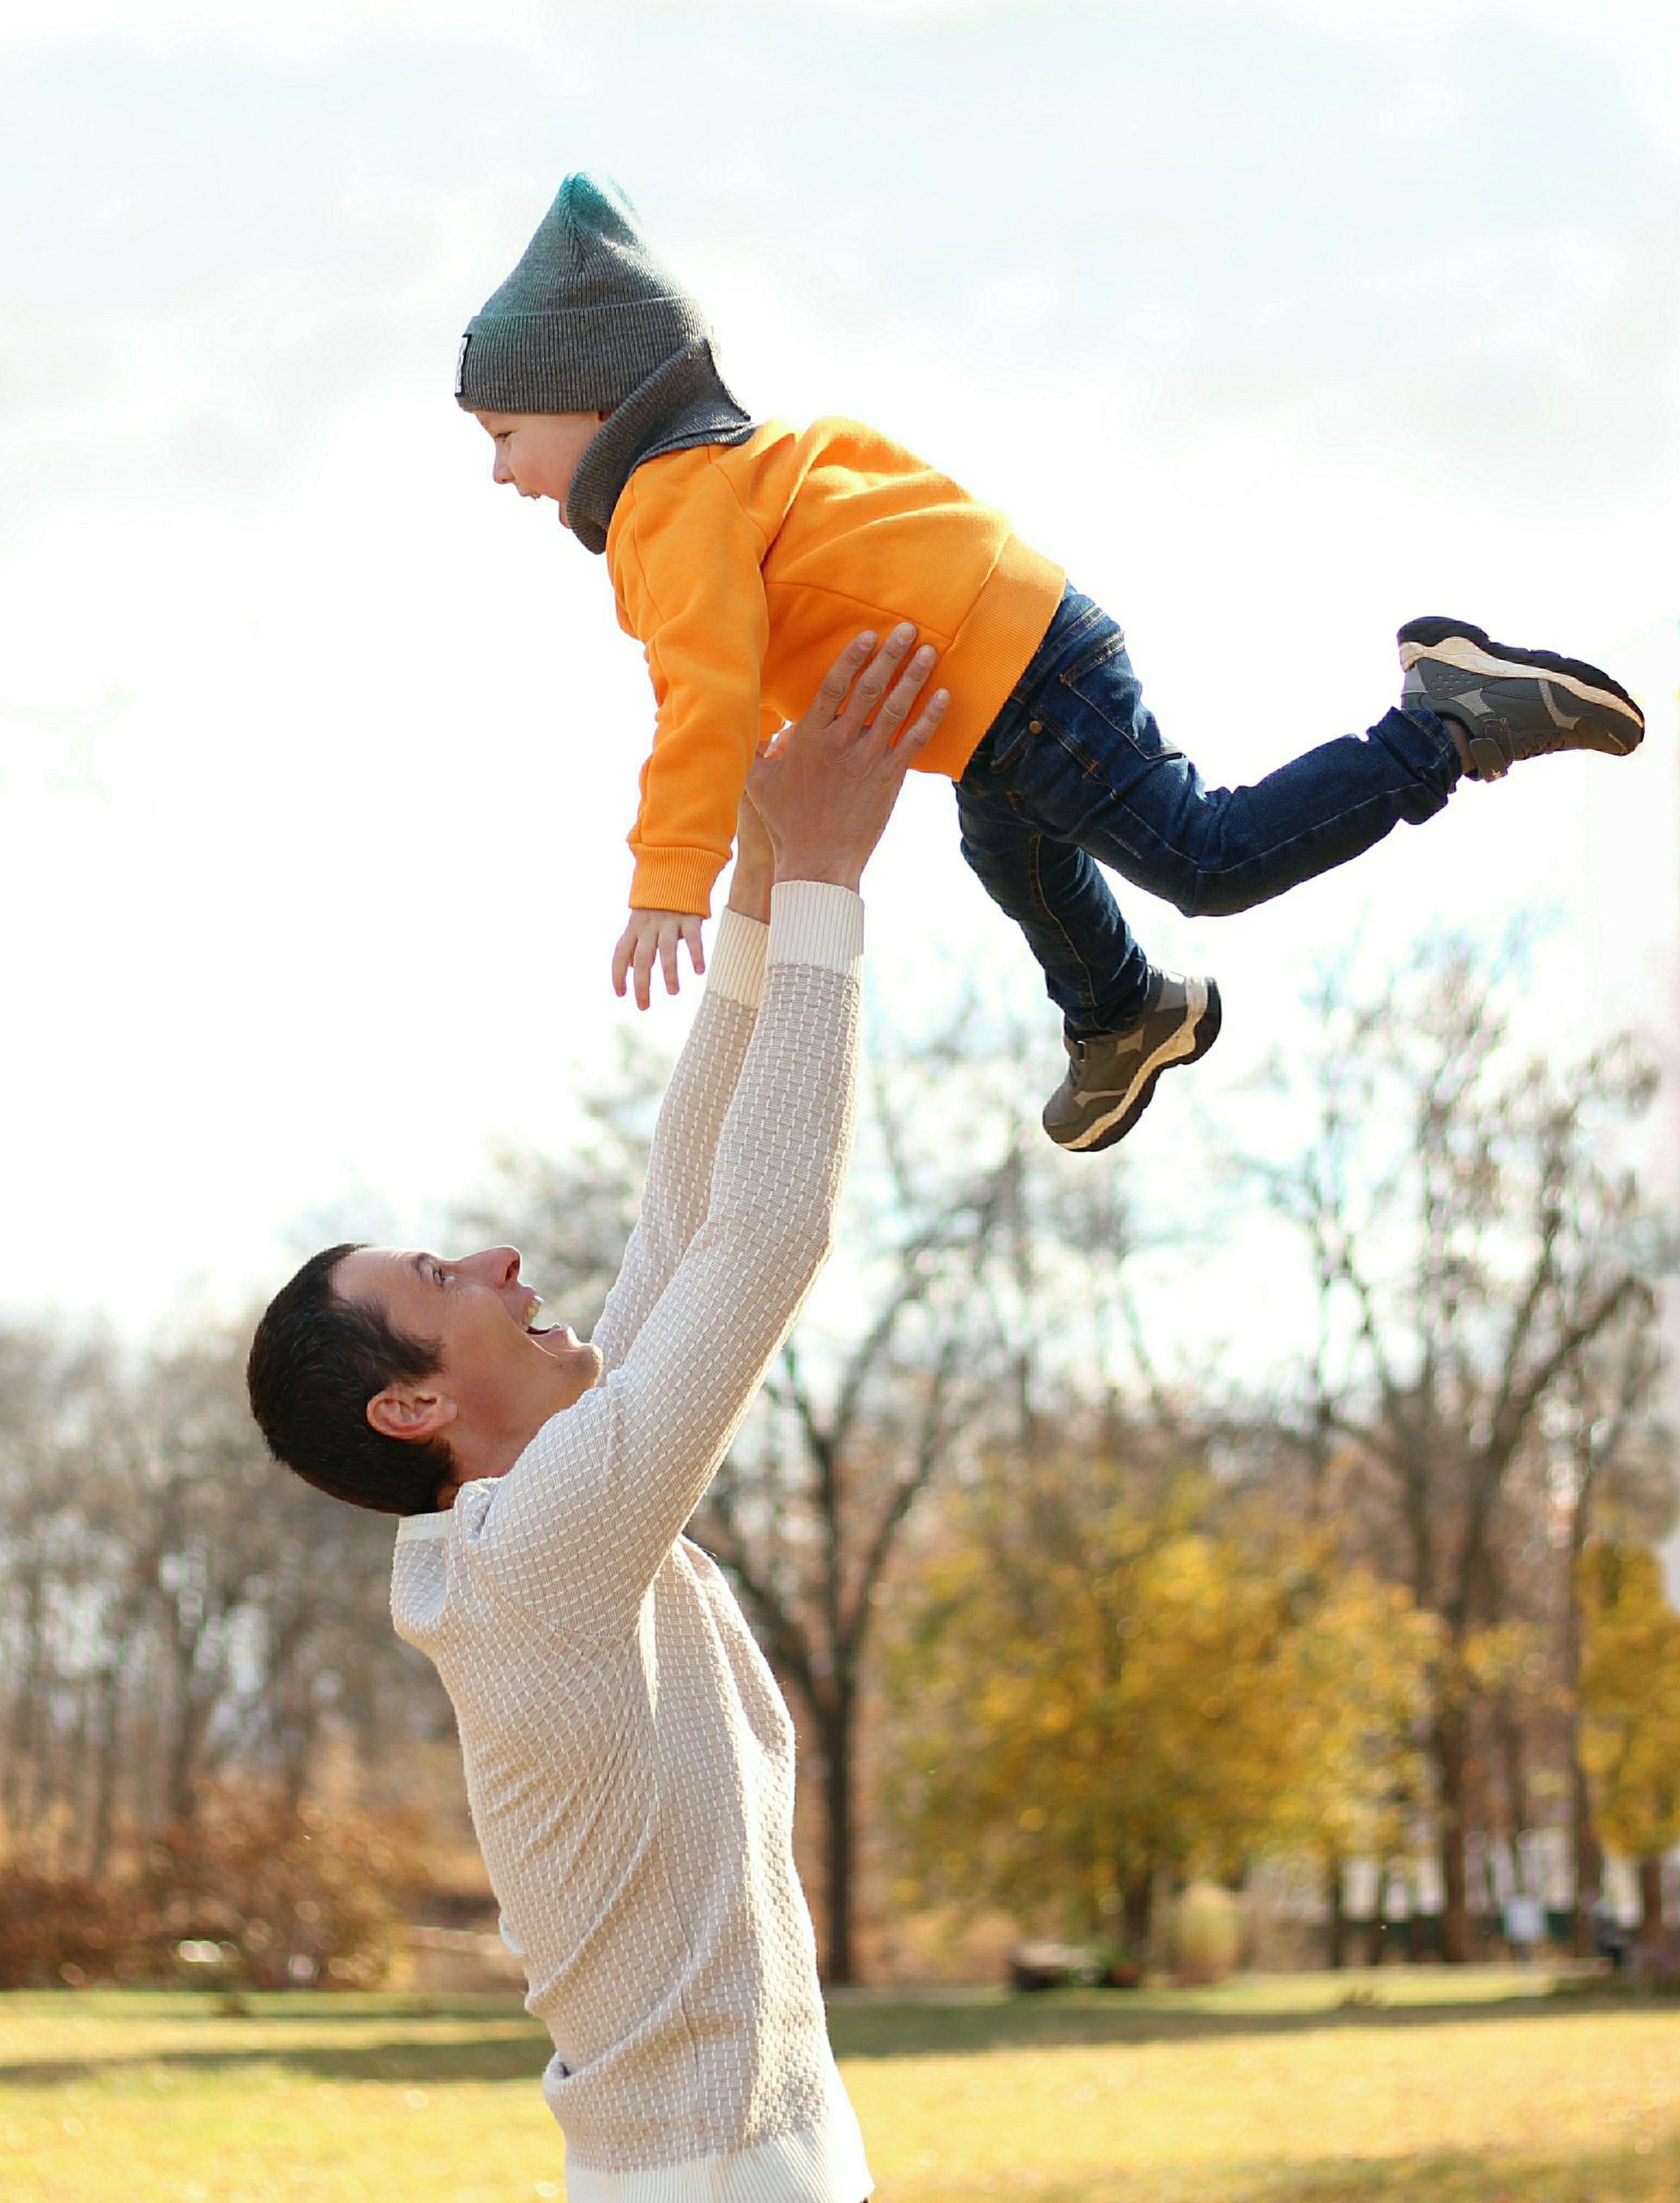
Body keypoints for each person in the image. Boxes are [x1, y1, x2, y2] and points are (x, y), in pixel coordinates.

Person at [457, 173, 1647, 1152]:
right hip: (1008, 666)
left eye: (507, 435)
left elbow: (701, 693)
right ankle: (1123, 1014)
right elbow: (824, 578)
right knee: (1006, 846)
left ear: (590, 399)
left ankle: (1442, 722)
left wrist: (673, 871)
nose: (503, 472)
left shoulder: (666, 504)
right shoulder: (731, 469)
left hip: (1018, 684)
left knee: (1206, 856)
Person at [248, 628, 948, 2203]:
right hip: (713, 2176)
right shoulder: (542, 1547)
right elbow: (763, 1238)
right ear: (416, 1396)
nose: (498, 1255)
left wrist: (763, 878)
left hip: (730, 2156)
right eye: (442, 1273)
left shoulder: (541, 1503)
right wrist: (834, 875)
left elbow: (685, 1214)